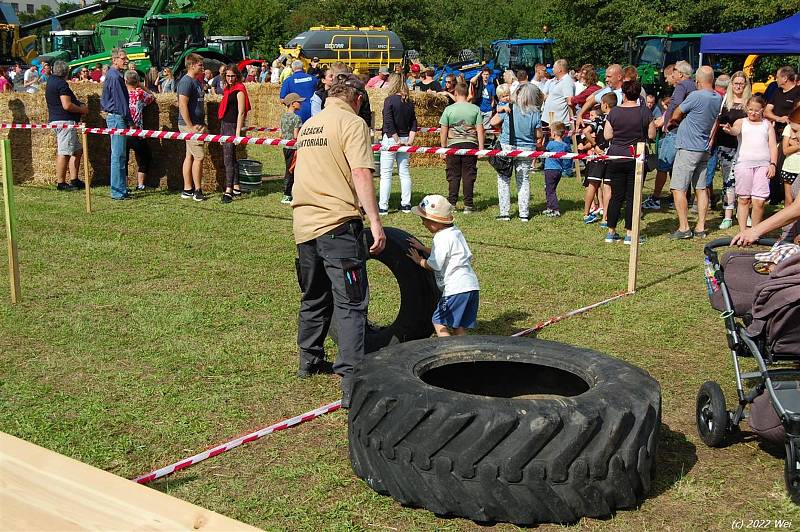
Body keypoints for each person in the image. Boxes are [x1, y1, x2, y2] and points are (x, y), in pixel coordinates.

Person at [291, 74, 385, 409]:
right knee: (351, 302)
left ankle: (309, 360)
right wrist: (375, 222)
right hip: (337, 224)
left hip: (304, 225)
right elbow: (361, 173)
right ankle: (351, 379)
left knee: (314, 296)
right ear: (358, 98)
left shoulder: (310, 125)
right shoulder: (352, 124)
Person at [406, 194, 479, 337]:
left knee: (438, 321)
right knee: (458, 326)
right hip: (471, 287)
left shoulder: (440, 237)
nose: (423, 224)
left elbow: (435, 264)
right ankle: (462, 353)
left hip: (455, 289)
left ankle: (447, 351)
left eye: (424, 220)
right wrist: (423, 248)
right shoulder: (455, 232)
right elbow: (446, 253)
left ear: (435, 222)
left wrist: (419, 260)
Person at [668, 66, 721, 240]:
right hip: (704, 147)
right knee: (700, 188)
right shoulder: (716, 97)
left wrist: (674, 121)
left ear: (697, 81)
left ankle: (684, 227)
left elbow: (677, 113)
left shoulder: (696, 96)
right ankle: (700, 227)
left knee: (678, 188)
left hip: (689, 148)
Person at [603, 80, 656, 244]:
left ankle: (611, 231)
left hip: (616, 155)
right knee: (633, 195)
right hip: (635, 156)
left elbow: (607, 135)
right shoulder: (644, 111)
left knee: (616, 194)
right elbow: (652, 134)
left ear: (623, 94)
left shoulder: (614, 112)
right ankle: (630, 233)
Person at [643, 61, 696, 210]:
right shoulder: (692, 85)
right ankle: (682, 197)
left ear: (680, 73)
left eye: (673, 73)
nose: (670, 77)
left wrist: (671, 122)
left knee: (662, 166)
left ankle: (655, 198)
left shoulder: (682, 86)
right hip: (684, 132)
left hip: (674, 132)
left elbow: (678, 105)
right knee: (676, 167)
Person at [722, 95, 778, 230]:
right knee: (744, 199)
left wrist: (773, 164)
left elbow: (772, 146)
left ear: (762, 110)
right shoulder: (741, 122)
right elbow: (735, 131)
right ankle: (743, 231)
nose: (753, 112)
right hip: (744, 165)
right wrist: (730, 130)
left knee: (759, 201)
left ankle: (755, 231)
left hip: (763, 165)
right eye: (750, 109)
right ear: (746, 108)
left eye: (756, 110)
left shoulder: (767, 124)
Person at [489, 83, 542, 222]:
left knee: (503, 179)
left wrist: (500, 110)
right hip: (527, 148)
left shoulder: (510, 107)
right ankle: (524, 214)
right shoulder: (535, 112)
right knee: (523, 180)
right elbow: (538, 134)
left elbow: (493, 122)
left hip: (507, 145)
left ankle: (504, 213)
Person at [439, 82, 484, 213]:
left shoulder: (449, 109)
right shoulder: (475, 109)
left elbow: (443, 131)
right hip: (471, 145)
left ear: (456, 93)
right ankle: (468, 205)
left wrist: (443, 148)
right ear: (467, 94)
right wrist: (481, 148)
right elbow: (480, 130)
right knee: (469, 175)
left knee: (453, 175)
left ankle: (452, 203)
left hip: (453, 145)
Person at [378, 74, 418, 214]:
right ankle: (406, 204)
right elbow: (414, 122)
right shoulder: (409, 101)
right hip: (405, 138)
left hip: (391, 139)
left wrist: (396, 140)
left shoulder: (389, 100)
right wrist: (409, 140)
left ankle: (383, 206)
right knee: (404, 172)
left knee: (386, 174)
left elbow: (388, 122)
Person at [46, 60, 88, 192]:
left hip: (60, 121)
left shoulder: (51, 81)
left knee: (76, 151)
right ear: (66, 72)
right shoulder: (61, 83)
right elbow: (67, 105)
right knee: (64, 152)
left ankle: (74, 179)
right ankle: (61, 183)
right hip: (64, 122)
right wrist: (82, 110)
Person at [716, 71, 750, 229]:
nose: (738, 86)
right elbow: (717, 122)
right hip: (726, 145)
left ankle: (745, 213)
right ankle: (728, 214)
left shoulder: (749, 102)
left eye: (741, 84)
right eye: (736, 83)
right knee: (728, 180)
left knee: (744, 181)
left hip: (745, 146)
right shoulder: (725, 101)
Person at [580, 92, 617, 225]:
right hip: (612, 155)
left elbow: (586, 131)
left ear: (605, 105)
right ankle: (605, 218)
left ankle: (586, 213)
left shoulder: (600, 119)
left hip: (598, 155)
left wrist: (595, 146)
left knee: (593, 184)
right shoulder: (617, 119)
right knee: (608, 186)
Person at [765, 66, 800, 205]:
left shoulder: (798, 92)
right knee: (774, 163)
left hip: (792, 134)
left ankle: (789, 197)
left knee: (785, 163)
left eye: (778, 76)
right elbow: (767, 111)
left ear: (785, 78)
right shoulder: (777, 92)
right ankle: (775, 195)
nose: (776, 79)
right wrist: (779, 118)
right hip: (776, 132)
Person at [101, 49, 132, 200]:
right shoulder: (115, 77)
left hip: (114, 117)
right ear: (114, 60)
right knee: (118, 155)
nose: (126, 60)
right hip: (117, 118)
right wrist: (130, 121)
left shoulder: (113, 75)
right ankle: (118, 191)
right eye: (123, 58)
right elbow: (121, 103)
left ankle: (120, 187)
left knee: (118, 155)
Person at [177, 53, 207, 202]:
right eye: (200, 65)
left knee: (189, 156)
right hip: (189, 125)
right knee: (199, 156)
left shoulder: (196, 81)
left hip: (197, 124)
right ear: (192, 65)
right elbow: (182, 104)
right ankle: (197, 190)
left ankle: (187, 189)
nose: (203, 67)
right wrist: (190, 127)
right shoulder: (186, 82)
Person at [219, 64, 250, 204]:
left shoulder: (239, 90)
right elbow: (224, 112)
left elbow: (241, 112)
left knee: (228, 160)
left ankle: (228, 190)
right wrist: (221, 132)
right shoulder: (228, 89)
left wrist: (237, 133)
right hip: (225, 125)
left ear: (237, 76)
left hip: (232, 127)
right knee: (231, 158)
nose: (230, 79)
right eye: (228, 76)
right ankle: (236, 187)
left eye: (233, 76)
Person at [125, 70, 155, 191]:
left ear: (125, 81)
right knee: (145, 157)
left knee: (123, 159)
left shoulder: (122, 94)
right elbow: (152, 97)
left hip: (123, 130)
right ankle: (141, 184)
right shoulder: (139, 93)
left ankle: (125, 185)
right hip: (137, 132)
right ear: (137, 81)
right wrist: (142, 86)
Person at [542, 122, 572, 217]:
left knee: (550, 190)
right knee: (551, 189)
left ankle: (555, 209)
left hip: (550, 169)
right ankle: (549, 207)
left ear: (554, 133)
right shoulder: (565, 145)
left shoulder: (551, 144)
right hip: (559, 170)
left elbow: (544, 149)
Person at [280, 93, 303, 204]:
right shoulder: (297, 118)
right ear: (293, 104)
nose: (301, 103)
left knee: (288, 168)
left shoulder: (283, 116)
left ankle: (287, 193)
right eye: (299, 101)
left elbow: (281, 134)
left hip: (285, 146)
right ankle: (287, 194)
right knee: (291, 171)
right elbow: (295, 136)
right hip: (294, 147)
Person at [542, 59, 575, 129]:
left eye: (554, 67)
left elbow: (569, 101)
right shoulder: (556, 81)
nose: (552, 69)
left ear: (560, 69)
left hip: (559, 122)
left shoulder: (567, 82)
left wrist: (572, 122)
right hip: (551, 119)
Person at [779, 105, 800, 209]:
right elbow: (785, 150)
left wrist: (794, 145)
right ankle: (788, 225)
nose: (794, 135)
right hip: (790, 168)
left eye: (796, 131)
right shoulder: (789, 127)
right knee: (789, 198)